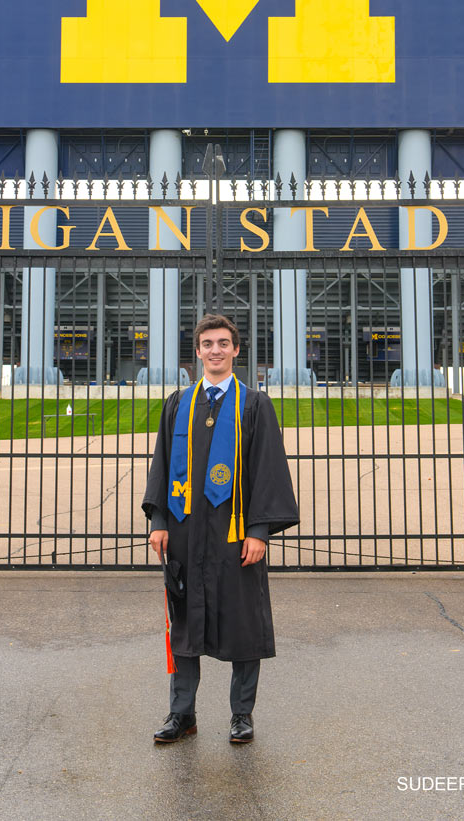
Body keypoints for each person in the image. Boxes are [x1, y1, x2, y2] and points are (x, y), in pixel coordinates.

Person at [143, 313, 299, 744]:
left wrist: (260, 531)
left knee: (243, 624)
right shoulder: (178, 403)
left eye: (223, 343)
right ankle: (182, 714)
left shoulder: (254, 405)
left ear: (235, 350)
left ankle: (241, 715)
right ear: (197, 351)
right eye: (207, 343)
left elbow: (268, 471)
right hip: (186, 533)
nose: (215, 350)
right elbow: (161, 463)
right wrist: (158, 520)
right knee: (184, 623)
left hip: (235, 537)